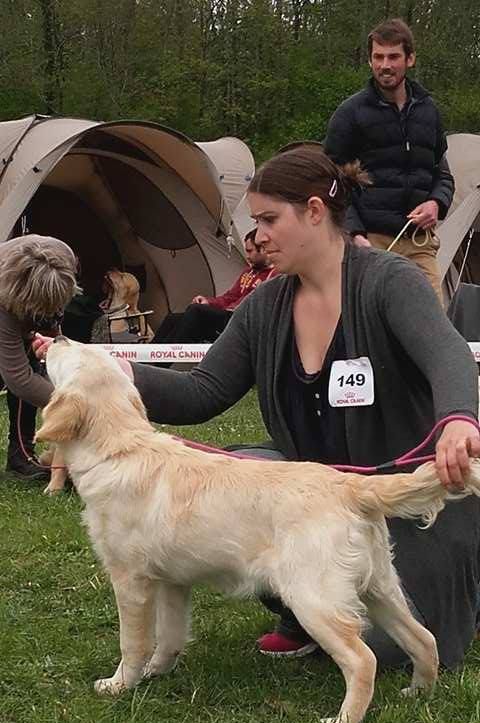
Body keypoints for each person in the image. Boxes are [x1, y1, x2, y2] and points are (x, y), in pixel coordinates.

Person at [34, 145, 480, 672]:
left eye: (269, 219)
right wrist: (115, 373)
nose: (258, 234)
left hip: (404, 494)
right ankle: (301, 601)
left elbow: (447, 353)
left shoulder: (389, 281)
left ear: (314, 211)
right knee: (233, 480)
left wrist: (457, 420)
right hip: (312, 495)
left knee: (395, 649)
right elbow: (202, 392)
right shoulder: (264, 306)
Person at [324, 17, 454, 304]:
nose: (385, 65)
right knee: (377, 326)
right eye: (378, 57)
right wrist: (355, 234)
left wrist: (436, 203)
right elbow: (331, 181)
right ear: (370, 61)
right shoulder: (350, 113)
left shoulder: (429, 110)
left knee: (432, 325)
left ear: (410, 59)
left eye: (393, 56)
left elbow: (442, 175)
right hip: (371, 241)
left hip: (419, 241)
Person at [0, 234, 79, 480]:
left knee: (34, 364)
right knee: (25, 377)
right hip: (7, 306)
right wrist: (74, 406)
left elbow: (56, 316)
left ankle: (20, 457)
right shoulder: (4, 306)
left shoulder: (63, 254)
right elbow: (19, 379)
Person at [152, 229, 276, 344]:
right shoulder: (248, 272)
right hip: (226, 316)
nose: (247, 257)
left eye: (250, 251)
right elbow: (229, 297)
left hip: (241, 320)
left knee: (196, 311)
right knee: (173, 319)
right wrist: (208, 302)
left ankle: (164, 357)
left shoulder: (274, 275)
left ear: (263, 249)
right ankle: (145, 361)